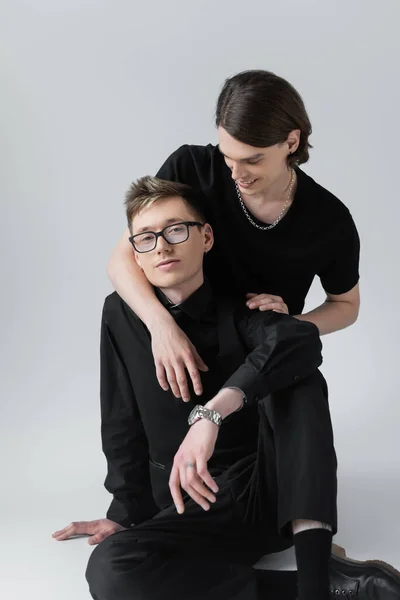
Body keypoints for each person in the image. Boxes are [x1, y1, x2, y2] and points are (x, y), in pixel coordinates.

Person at [53, 177, 400, 600]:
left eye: (176, 230)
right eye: (146, 238)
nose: (161, 246)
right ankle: (321, 589)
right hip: (187, 505)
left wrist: (211, 414)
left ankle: (313, 576)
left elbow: (301, 343)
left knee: (298, 376)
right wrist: (125, 514)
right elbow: (120, 415)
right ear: (135, 254)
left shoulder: (242, 309)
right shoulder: (120, 315)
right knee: (110, 569)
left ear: (207, 237)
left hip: (263, 500)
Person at [106, 69, 361, 406]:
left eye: (252, 160)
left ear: (291, 142)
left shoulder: (329, 219)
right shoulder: (191, 168)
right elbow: (122, 259)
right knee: (116, 310)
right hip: (182, 340)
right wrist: (162, 327)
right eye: (228, 157)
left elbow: (345, 306)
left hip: (256, 357)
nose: (236, 174)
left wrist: (289, 325)